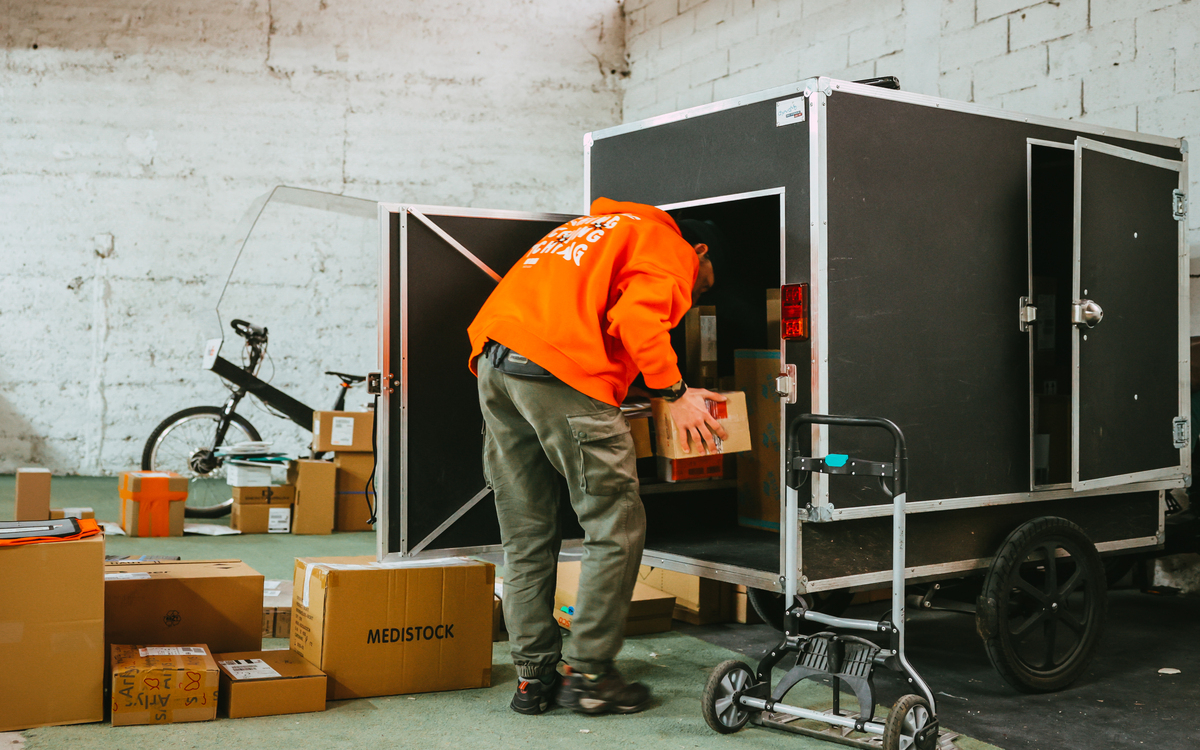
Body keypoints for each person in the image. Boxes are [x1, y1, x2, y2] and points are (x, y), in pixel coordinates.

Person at [467, 197, 727, 716]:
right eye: (705, 283)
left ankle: (533, 677)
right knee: (615, 523)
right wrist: (674, 392)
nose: (697, 294)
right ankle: (589, 675)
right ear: (700, 251)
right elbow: (636, 317)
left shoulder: (590, 230)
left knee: (526, 530)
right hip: (559, 371)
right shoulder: (669, 245)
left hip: (498, 368)